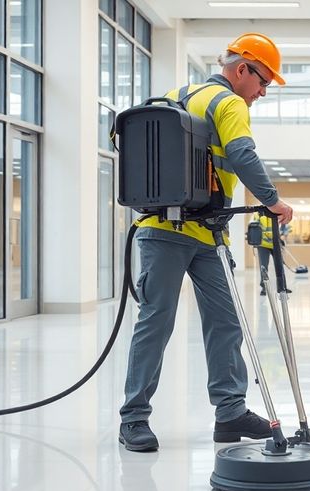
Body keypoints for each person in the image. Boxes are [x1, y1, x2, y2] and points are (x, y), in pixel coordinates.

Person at [119, 33, 293, 452]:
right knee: (159, 322)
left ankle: (230, 412)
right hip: (170, 233)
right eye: (263, 81)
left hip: (202, 231)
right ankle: (134, 418)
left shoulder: (173, 96)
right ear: (240, 70)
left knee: (223, 320)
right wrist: (273, 201)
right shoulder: (230, 103)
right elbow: (244, 154)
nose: (263, 92)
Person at [250, 212, 291, 296]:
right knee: (263, 266)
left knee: (279, 265)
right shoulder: (257, 215)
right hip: (262, 245)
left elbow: (284, 228)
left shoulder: (278, 213)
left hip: (275, 244)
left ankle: (282, 287)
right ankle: (264, 288)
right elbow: (254, 229)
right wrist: (254, 243)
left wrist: (282, 237)